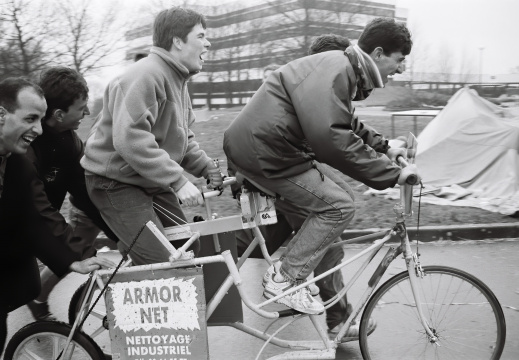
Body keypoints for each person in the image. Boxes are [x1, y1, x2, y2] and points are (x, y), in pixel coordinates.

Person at [223, 18, 418, 316]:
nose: (402, 68)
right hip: (266, 153)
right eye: (400, 59)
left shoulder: (340, 68)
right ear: (378, 54)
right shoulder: (337, 69)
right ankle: (285, 280)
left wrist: (386, 147)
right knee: (338, 207)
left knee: (322, 210)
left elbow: (344, 122)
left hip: (269, 150)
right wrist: (392, 174)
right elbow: (331, 139)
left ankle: (309, 289)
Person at [232, 34, 379, 341]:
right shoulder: (317, 87)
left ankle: (205, 277)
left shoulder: (316, 83)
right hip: (280, 168)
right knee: (329, 237)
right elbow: (335, 140)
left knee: (256, 241)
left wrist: (385, 147)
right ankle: (335, 318)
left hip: (280, 168)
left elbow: (350, 125)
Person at [81, 7, 222, 266]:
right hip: (115, 181)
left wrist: (207, 168)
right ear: (178, 42)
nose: (208, 42)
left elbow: (181, 138)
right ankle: (135, 280)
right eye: (201, 36)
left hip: (146, 179)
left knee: (187, 245)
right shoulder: (144, 76)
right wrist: (178, 181)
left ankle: (136, 259)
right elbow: (131, 139)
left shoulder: (178, 81)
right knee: (164, 261)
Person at [0, 77, 115, 355]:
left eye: (40, 119)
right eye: (30, 118)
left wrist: (77, 256)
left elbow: (37, 217)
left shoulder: (19, 165)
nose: (38, 129)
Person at [24, 67, 120, 321]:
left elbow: (86, 193)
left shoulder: (69, 141)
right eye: (81, 108)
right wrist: (78, 254)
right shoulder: (26, 149)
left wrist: (118, 232)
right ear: (58, 114)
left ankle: (34, 301)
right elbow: (37, 209)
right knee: (17, 284)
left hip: (34, 220)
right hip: (19, 220)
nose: (88, 113)